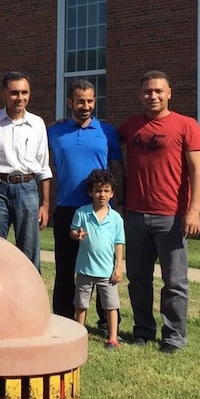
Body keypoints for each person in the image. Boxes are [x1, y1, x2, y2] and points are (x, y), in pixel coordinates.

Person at [118, 70, 200, 353]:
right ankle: (143, 331)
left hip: (172, 216)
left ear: (169, 93)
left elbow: (197, 172)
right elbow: (101, 133)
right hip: (135, 215)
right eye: (147, 91)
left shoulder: (186, 125)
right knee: (138, 280)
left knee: (175, 282)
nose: (152, 96)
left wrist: (194, 211)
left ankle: (173, 337)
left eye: (158, 91)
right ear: (139, 94)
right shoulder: (132, 126)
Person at [47, 78, 125, 322]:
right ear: (70, 102)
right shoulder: (53, 132)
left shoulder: (107, 132)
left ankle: (106, 320)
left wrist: (120, 201)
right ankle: (62, 318)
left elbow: (117, 168)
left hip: (100, 211)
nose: (86, 105)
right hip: (67, 208)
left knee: (103, 267)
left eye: (90, 100)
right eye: (80, 101)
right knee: (66, 267)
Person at [0, 72, 51, 269]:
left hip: (27, 188)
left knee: (29, 251)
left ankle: (28, 298)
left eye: (24, 92)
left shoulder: (37, 124)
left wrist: (45, 205)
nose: (20, 98)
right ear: (4, 94)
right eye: (15, 93)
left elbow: (43, 167)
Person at [70, 169, 125, 349]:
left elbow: (119, 243)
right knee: (81, 304)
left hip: (107, 272)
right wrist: (76, 234)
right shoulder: (82, 213)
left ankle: (113, 337)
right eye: (98, 190)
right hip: (85, 269)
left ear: (112, 193)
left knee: (111, 305)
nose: (102, 194)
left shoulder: (116, 218)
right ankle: (78, 335)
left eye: (106, 190)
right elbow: (72, 231)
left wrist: (118, 267)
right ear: (90, 192)